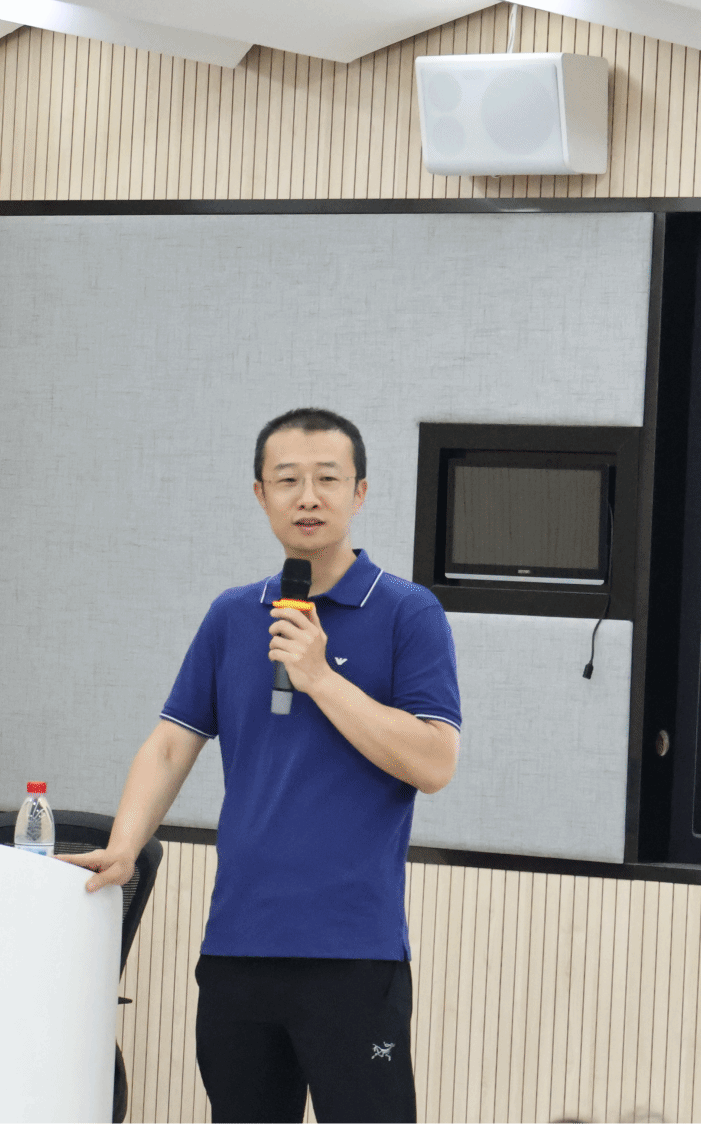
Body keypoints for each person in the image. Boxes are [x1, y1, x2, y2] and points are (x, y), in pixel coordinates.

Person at [65, 407, 460, 1125]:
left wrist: (321, 677)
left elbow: (434, 763)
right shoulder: (233, 615)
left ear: (360, 493)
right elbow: (171, 743)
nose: (308, 497)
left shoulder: (409, 611)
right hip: (238, 948)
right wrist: (125, 847)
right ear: (260, 495)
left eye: (327, 479)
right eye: (287, 480)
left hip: (353, 952)